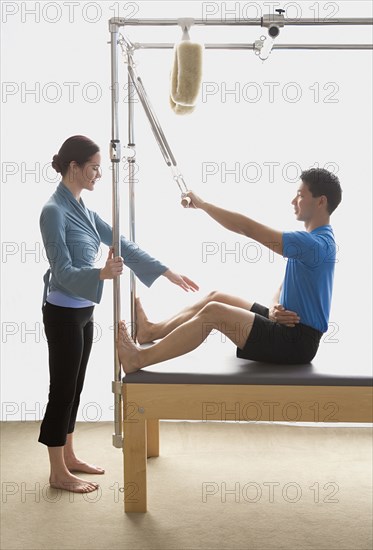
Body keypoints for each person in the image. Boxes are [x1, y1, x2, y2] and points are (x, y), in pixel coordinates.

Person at [39, 135, 198, 493]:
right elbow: (61, 270)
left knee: (75, 388)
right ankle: (56, 471)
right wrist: (100, 274)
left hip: (83, 312)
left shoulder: (82, 209)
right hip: (62, 314)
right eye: (94, 168)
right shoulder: (53, 211)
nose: (98, 174)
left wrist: (165, 270)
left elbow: (120, 243)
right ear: (74, 167)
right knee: (61, 390)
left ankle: (69, 455)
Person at [117, 168, 342, 373]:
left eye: (301, 195)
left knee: (215, 312)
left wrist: (203, 205)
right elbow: (283, 287)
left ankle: (139, 359)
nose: (294, 201)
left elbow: (247, 229)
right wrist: (274, 309)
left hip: (296, 342)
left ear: (321, 201)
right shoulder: (318, 241)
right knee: (217, 297)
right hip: (286, 324)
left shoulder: (312, 244)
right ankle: (151, 331)